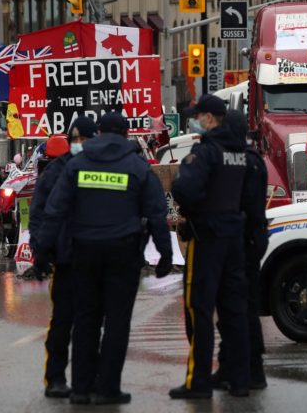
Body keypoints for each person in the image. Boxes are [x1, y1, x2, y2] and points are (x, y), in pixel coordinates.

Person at [37, 112, 173, 405]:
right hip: (123, 254)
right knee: (116, 322)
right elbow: (157, 213)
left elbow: (55, 210)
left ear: (98, 133)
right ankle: (107, 388)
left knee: (86, 319)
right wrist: (166, 253)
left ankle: (81, 388)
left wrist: (42, 251)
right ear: (125, 135)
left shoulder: (77, 165)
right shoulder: (136, 166)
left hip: (83, 253)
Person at [170, 95, 250, 399]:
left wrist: (193, 209)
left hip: (208, 237)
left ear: (209, 118)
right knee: (234, 311)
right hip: (234, 237)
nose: (195, 121)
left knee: (200, 309)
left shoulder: (206, 151)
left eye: (197, 116)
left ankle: (198, 382)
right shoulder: (240, 152)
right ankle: (240, 380)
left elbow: (184, 188)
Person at [28, 117, 97, 399]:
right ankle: (55, 377)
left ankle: (87, 379)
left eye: (85, 138)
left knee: (91, 323)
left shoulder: (102, 167)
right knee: (63, 322)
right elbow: (39, 215)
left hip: (94, 259)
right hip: (66, 260)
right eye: (76, 138)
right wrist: (41, 253)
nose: (80, 144)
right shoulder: (55, 173)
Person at [211, 109, 269, 390]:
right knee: (236, 309)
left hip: (240, 242)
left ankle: (252, 370)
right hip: (250, 240)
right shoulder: (253, 160)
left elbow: (244, 204)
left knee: (240, 310)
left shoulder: (242, 161)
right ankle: (230, 366)